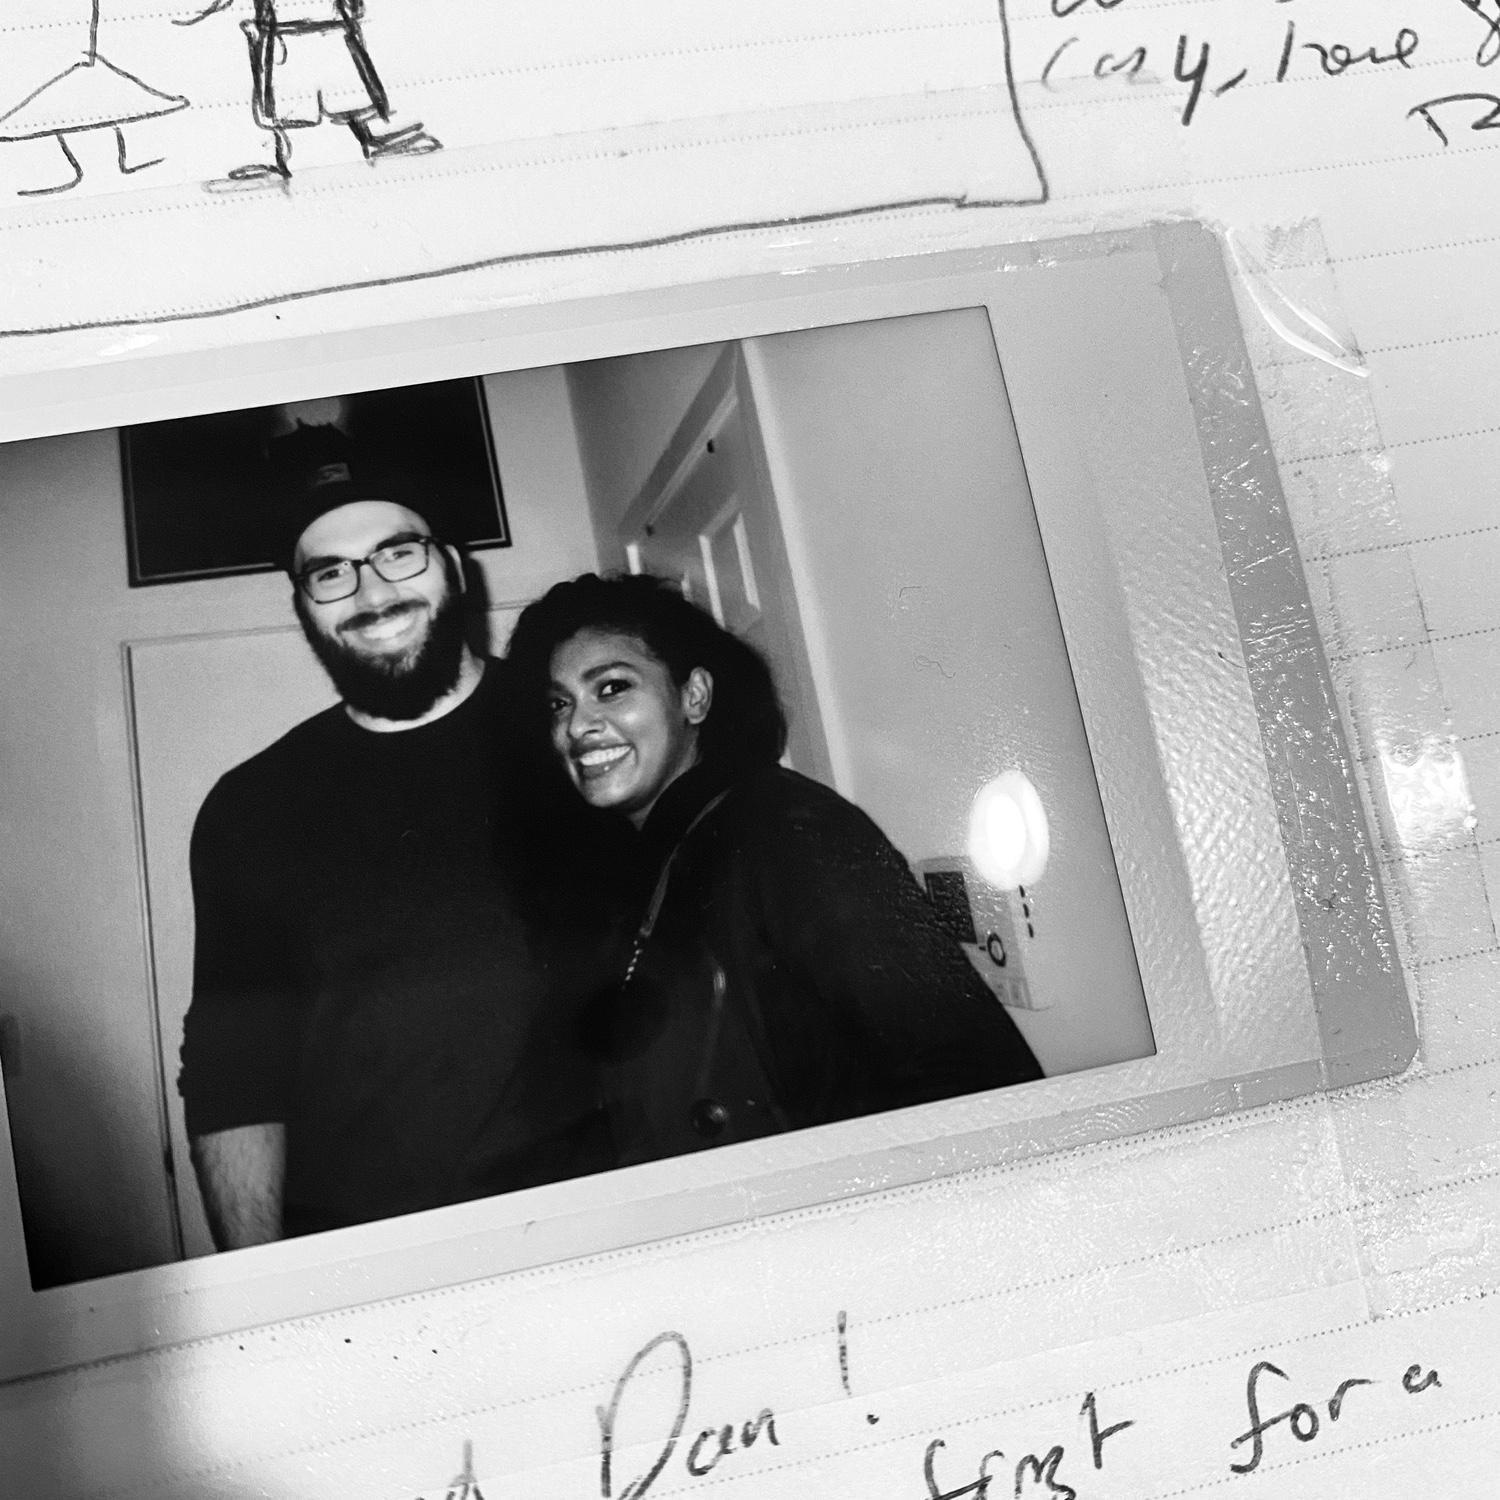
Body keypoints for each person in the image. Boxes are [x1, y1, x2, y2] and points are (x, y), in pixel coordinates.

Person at [177, 464, 609, 1249]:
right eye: (330, 573)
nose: (372, 593)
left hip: (591, 1219)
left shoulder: (576, 737)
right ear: (303, 607)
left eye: (398, 553)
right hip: (359, 1242)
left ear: (454, 567)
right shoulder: (250, 806)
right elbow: (232, 1070)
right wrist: (265, 1282)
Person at [504, 573, 1043, 1166]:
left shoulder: (782, 828)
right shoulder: (651, 866)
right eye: (559, 704)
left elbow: (968, 1070)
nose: (577, 727)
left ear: (694, 697)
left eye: (611, 688)